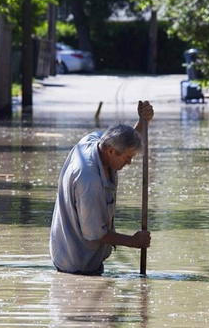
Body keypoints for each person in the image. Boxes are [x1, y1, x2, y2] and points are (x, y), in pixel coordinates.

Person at [50, 101, 154, 275]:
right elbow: (95, 234)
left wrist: (144, 122)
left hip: (87, 257)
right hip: (75, 263)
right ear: (111, 152)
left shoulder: (96, 141)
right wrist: (133, 241)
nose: (129, 162)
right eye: (127, 158)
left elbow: (124, 141)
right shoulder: (89, 181)